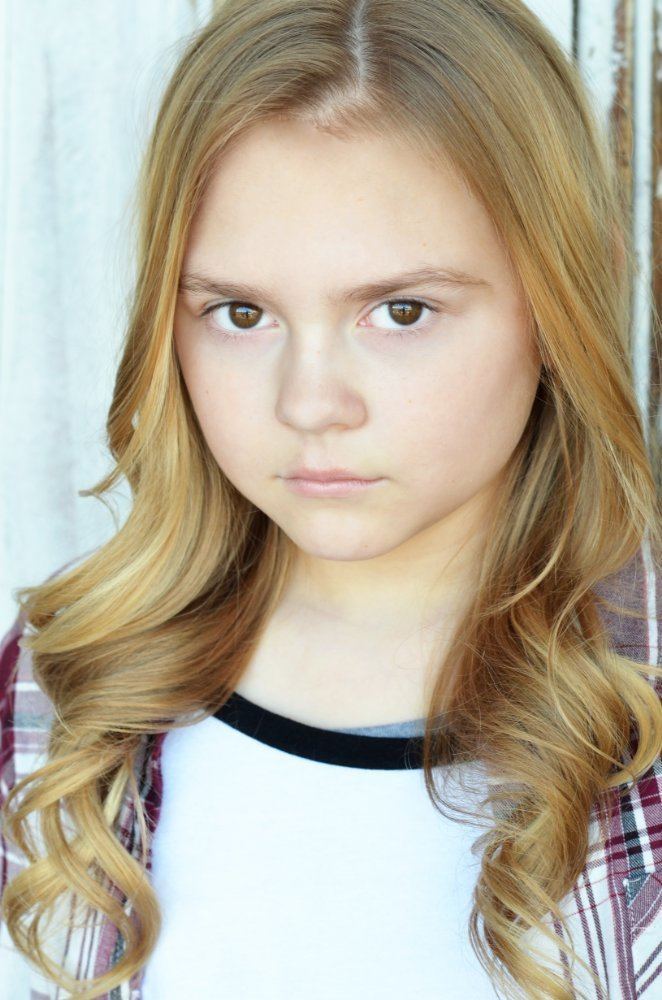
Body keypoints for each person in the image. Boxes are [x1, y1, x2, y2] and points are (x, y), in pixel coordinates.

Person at [1, 1, 660, 997]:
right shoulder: (58, 699)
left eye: (400, 311)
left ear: (561, 297)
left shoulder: (635, 715)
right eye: (240, 312)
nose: (309, 402)